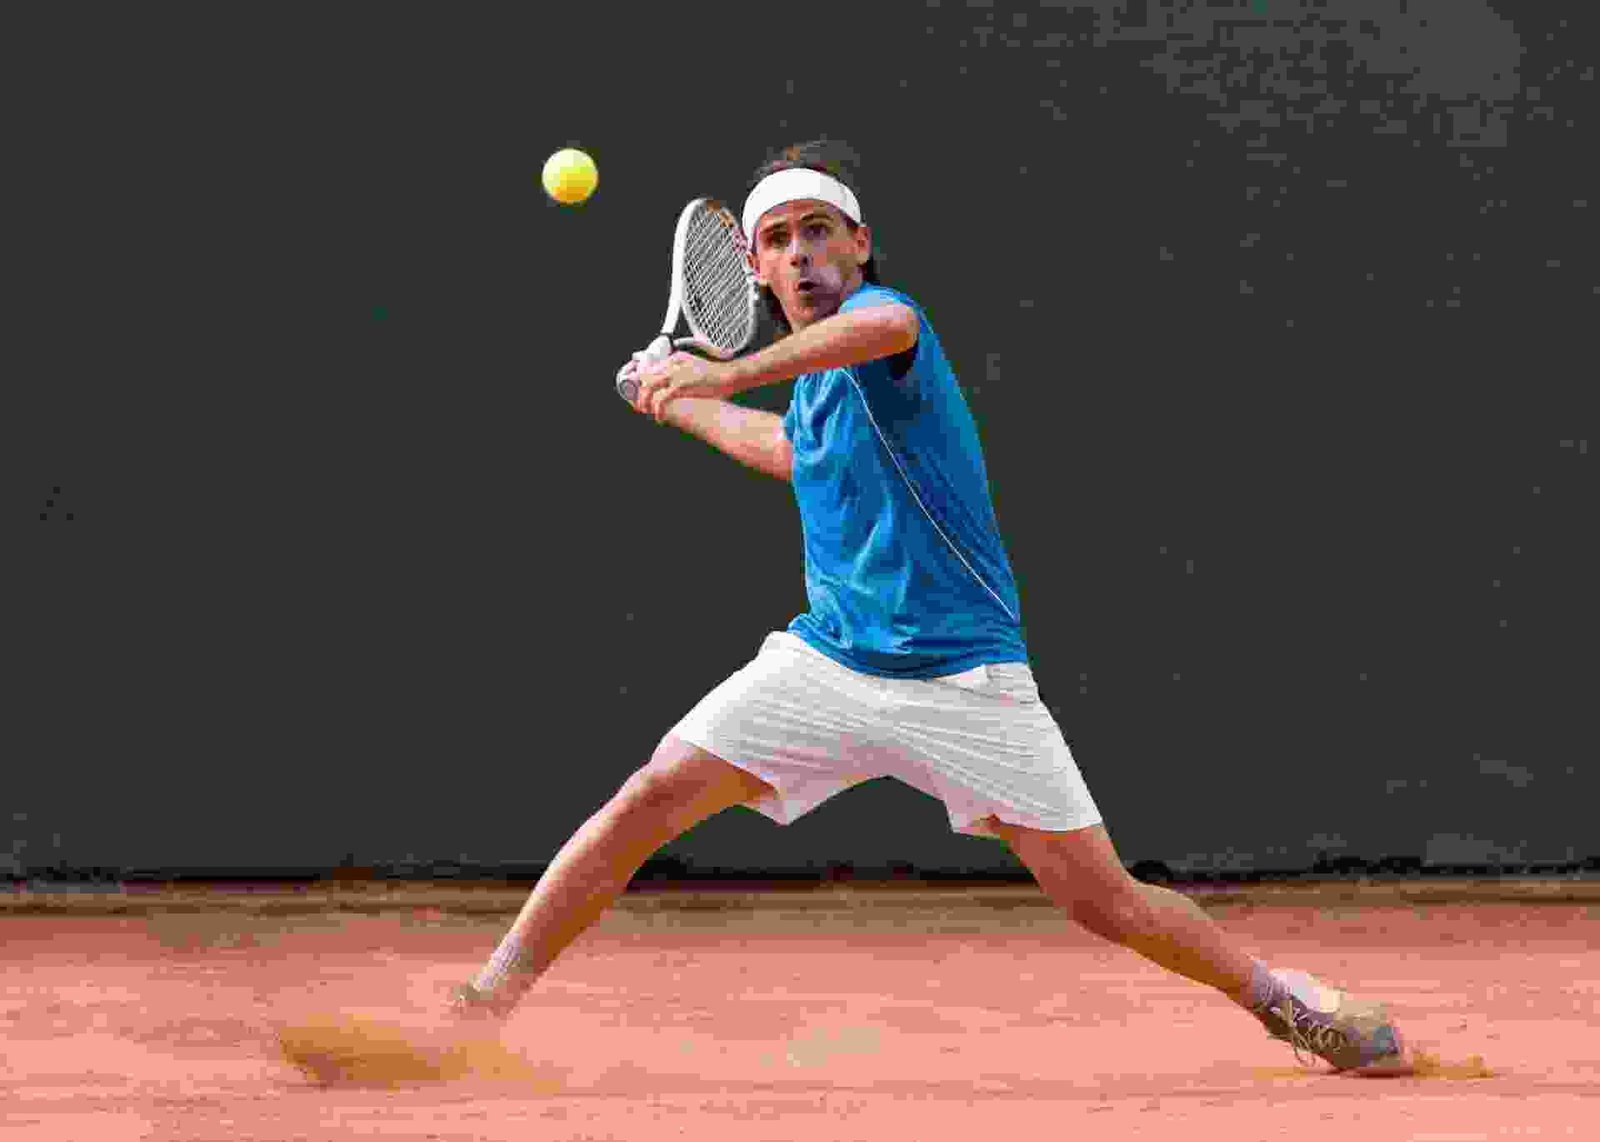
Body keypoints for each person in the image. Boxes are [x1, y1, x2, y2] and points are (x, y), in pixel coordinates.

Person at [453, 139, 1409, 1075]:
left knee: (1104, 901)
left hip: (966, 679)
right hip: (828, 662)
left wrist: (722, 372)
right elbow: (792, 454)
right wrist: (672, 399)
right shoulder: (816, 387)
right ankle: (483, 1007)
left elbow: (882, 329)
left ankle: (1287, 1005)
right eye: (779, 240)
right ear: (754, 268)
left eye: (819, 231)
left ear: (860, 243)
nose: (802, 255)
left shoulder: (883, 322)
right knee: (648, 798)